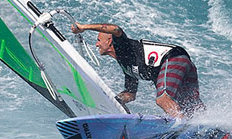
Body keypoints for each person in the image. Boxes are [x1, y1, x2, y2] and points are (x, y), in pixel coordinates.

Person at [70, 22, 203, 119]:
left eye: (99, 40)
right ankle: (208, 129)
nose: (96, 44)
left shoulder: (123, 46)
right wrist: (114, 101)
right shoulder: (127, 66)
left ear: (109, 41)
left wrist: (84, 27)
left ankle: (183, 129)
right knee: (190, 105)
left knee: (163, 100)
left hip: (172, 58)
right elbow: (130, 94)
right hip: (181, 61)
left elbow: (115, 29)